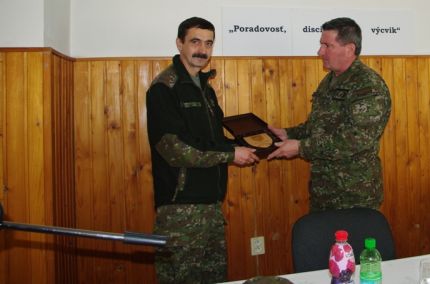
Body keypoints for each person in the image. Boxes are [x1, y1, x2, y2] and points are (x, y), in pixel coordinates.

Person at [146, 16, 259, 284]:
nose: (202, 50)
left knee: (215, 278)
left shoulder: (205, 89)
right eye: (195, 42)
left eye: (209, 43)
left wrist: (246, 144)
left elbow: (212, 140)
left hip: (211, 206)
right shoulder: (164, 88)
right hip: (180, 212)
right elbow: (176, 149)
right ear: (179, 43)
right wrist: (231, 154)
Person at [267, 17, 391, 211]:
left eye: (327, 46)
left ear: (349, 49)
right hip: (324, 191)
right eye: (321, 45)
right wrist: (287, 134)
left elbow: (356, 139)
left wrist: (301, 147)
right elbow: (318, 126)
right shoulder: (330, 80)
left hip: (353, 195)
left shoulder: (368, 86)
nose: (320, 52)